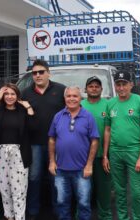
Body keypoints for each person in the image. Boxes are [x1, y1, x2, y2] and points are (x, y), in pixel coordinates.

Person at [102, 71, 140, 220]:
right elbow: (107, 130)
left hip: (134, 151)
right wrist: (105, 155)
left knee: (137, 192)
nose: (121, 88)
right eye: (118, 84)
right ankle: (123, 217)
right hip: (115, 152)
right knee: (119, 190)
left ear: (131, 85)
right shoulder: (111, 104)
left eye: (124, 84)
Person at [21, 59, 65, 219]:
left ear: (48, 73)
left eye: (41, 72)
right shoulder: (25, 93)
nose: (37, 75)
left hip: (57, 143)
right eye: (34, 73)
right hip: (34, 143)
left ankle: (58, 211)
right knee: (34, 177)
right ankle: (33, 210)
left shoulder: (61, 90)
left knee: (56, 178)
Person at [0, 83, 35, 220]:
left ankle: (19, 217)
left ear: (17, 96)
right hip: (0, 154)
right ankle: (9, 216)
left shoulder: (22, 110)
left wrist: (28, 106)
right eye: (6, 94)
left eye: (12, 94)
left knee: (19, 190)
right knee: (5, 190)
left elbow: (33, 127)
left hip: (19, 153)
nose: (9, 97)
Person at [48, 86, 99, 220]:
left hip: (82, 171)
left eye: (75, 96)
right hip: (60, 171)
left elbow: (94, 141)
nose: (71, 99)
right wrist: (52, 162)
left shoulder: (88, 116)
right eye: (68, 96)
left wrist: (89, 165)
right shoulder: (58, 116)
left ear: (80, 98)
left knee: (83, 204)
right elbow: (52, 139)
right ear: (64, 98)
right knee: (62, 204)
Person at [81, 76, 113, 219]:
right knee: (82, 191)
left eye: (96, 86)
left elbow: (110, 129)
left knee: (104, 191)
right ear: (85, 89)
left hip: (102, 155)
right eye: (91, 86)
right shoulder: (79, 105)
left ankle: (105, 216)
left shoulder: (108, 105)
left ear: (101, 89)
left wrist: (106, 155)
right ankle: (80, 215)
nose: (94, 88)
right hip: (82, 157)